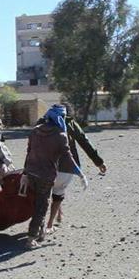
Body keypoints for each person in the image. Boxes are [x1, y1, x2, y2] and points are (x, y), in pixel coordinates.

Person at [21, 105, 87, 249]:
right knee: (42, 206)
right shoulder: (60, 135)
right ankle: (31, 239)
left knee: (37, 203)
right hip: (46, 176)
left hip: (31, 172)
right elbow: (68, 157)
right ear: (60, 118)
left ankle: (41, 232)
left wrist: (25, 173)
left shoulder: (35, 131)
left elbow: (29, 152)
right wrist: (80, 173)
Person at [44, 105, 107, 233]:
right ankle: (50, 224)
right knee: (59, 190)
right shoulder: (69, 123)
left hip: (45, 166)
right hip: (66, 165)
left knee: (49, 191)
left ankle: (55, 215)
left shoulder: (43, 122)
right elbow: (84, 141)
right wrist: (98, 161)